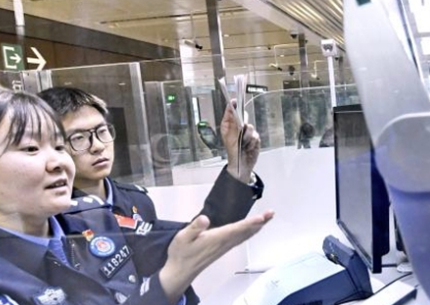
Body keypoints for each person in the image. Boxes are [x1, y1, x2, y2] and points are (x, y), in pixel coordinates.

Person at [0, 91, 274, 305]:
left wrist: (237, 171)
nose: (58, 161)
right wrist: (168, 281)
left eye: (59, 146)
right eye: (31, 148)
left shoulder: (92, 220)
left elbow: (189, 241)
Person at [38, 86, 263, 226]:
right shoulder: (45, 219)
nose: (97, 146)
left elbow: (190, 242)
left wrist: (238, 168)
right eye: (78, 138)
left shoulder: (136, 201)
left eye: (102, 131)